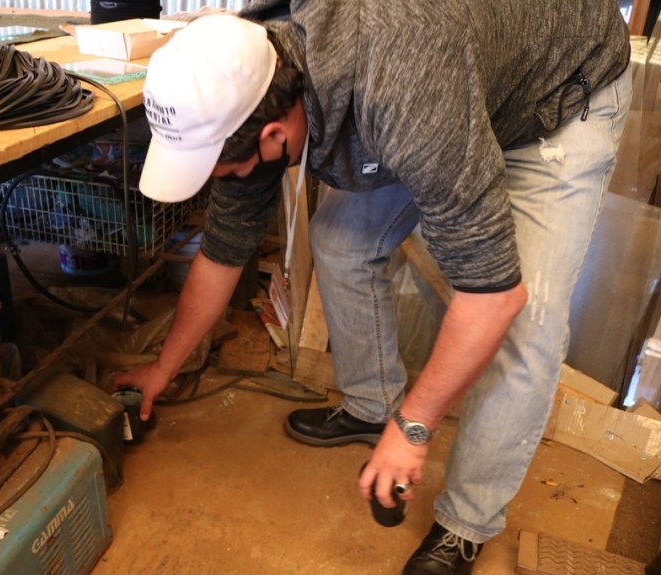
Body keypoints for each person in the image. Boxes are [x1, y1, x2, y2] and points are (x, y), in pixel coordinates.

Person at [115, 2, 632, 573]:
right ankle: (370, 407)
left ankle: (464, 523)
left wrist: (414, 429)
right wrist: (163, 368)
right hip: (454, 84)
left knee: (526, 328)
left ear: (274, 133)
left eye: (232, 171)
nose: (233, 182)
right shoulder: (252, 79)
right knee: (340, 241)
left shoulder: (404, 91)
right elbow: (223, 251)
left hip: (552, 94)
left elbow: (493, 297)